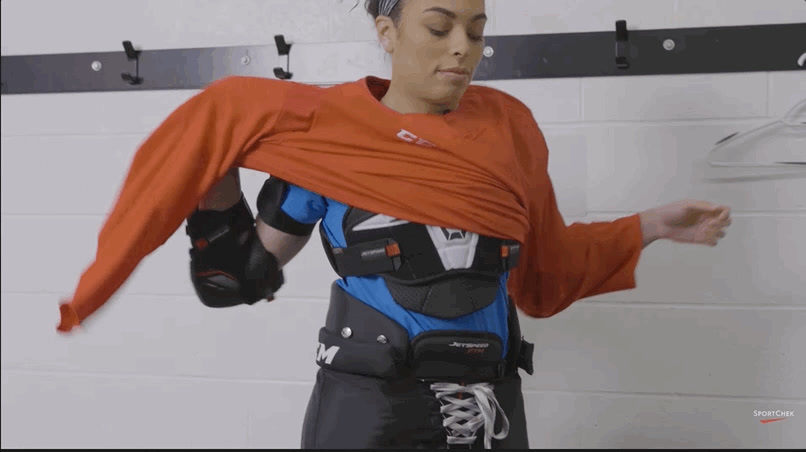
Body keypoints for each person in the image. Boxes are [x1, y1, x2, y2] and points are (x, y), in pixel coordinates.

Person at [184, 0, 733, 449]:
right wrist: (212, 169)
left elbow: (549, 271)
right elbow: (233, 280)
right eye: (439, 27)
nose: (461, 48)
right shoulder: (328, 139)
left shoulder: (509, 133)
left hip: (490, 411)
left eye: (476, 31)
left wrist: (650, 225)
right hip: (368, 417)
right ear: (387, 31)